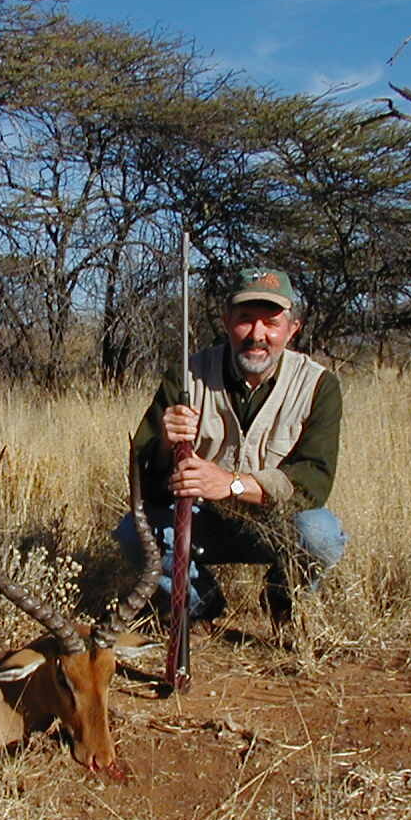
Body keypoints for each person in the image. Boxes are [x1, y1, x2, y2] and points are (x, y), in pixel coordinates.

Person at [114, 266, 346, 627]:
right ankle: (199, 605)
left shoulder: (319, 385)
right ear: (226, 322)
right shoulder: (186, 376)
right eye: (245, 320)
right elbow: (146, 482)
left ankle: (284, 602)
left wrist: (231, 483)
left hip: (275, 525)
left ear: (292, 329)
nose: (257, 335)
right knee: (133, 531)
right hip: (202, 523)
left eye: (271, 323)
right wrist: (164, 444)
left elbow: (313, 483)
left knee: (321, 535)